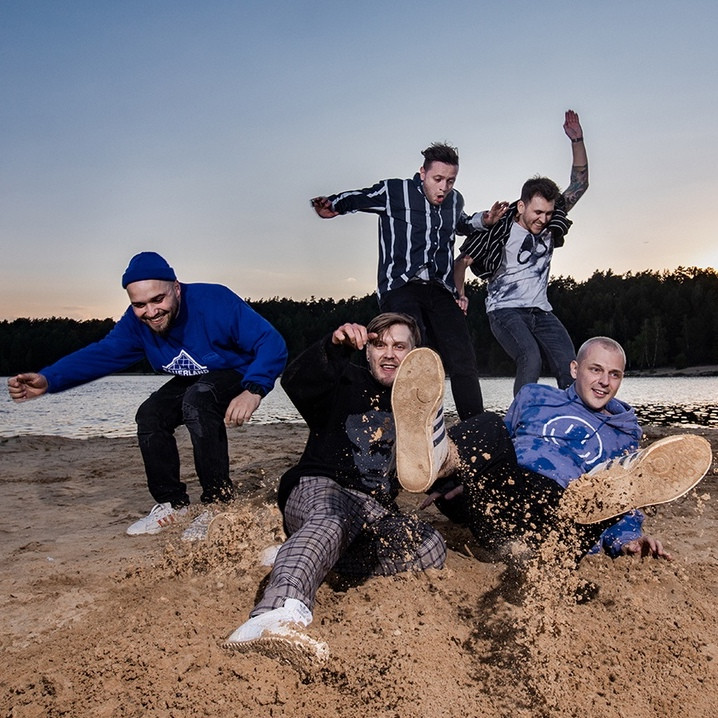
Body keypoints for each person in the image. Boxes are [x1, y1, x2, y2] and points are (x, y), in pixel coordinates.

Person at [7, 252, 288, 538]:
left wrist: (254, 389)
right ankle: (172, 504)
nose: (151, 312)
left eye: (158, 299)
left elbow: (271, 342)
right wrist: (49, 379)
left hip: (238, 371)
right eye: (139, 305)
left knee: (198, 401)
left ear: (176, 288)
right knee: (151, 414)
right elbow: (101, 355)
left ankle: (218, 503)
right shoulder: (136, 324)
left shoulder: (214, 301)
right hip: (198, 378)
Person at [223, 313, 447, 664]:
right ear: (367, 351)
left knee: (430, 547)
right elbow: (296, 381)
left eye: (399, 346)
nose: (389, 353)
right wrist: (333, 347)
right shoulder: (344, 379)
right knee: (332, 520)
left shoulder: (420, 406)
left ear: (413, 354)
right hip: (321, 487)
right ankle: (273, 615)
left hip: (373, 509)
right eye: (379, 345)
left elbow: (432, 459)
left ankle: (302, 554)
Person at [412, 337, 711, 565]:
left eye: (614, 374)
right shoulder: (534, 396)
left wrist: (629, 539)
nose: (604, 382)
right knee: (489, 425)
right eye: (596, 370)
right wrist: (461, 477)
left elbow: (623, 500)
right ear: (575, 369)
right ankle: (437, 459)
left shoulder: (624, 433)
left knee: (602, 490)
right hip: (501, 501)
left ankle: (535, 552)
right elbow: (499, 444)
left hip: (561, 517)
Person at [310, 143, 484, 420]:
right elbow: (361, 197)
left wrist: (486, 219)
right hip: (401, 287)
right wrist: (333, 205)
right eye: (438, 179)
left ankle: (476, 425)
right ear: (422, 173)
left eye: (450, 181)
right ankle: (405, 421)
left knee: (463, 355)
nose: (443, 187)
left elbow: (461, 223)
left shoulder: (454, 200)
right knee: (412, 348)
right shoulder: (395, 191)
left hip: (440, 288)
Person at [454, 110, 589, 395]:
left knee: (569, 365)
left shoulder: (552, 221)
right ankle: (522, 416)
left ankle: (575, 414)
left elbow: (580, 183)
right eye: (537, 212)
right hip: (504, 311)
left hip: (541, 311)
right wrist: (461, 293)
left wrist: (577, 140)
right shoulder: (497, 229)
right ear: (521, 206)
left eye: (548, 213)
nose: (543, 219)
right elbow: (462, 261)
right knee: (531, 357)